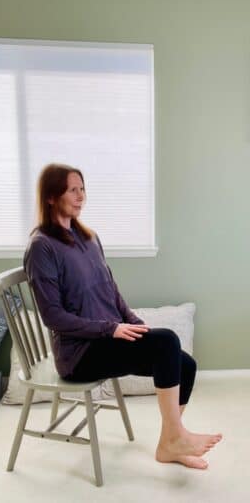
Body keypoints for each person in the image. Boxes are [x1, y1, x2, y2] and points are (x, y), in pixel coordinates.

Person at [24, 163, 222, 470]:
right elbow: (52, 317)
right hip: (79, 354)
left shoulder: (88, 238)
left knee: (186, 364)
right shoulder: (42, 248)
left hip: (107, 337)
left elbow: (110, 292)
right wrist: (110, 329)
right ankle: (175, 439)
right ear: (51, 196)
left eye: (83, 188)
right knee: (166, 342)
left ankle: (170, 441)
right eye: (72, 190)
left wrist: (132, 322)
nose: (81, 196)